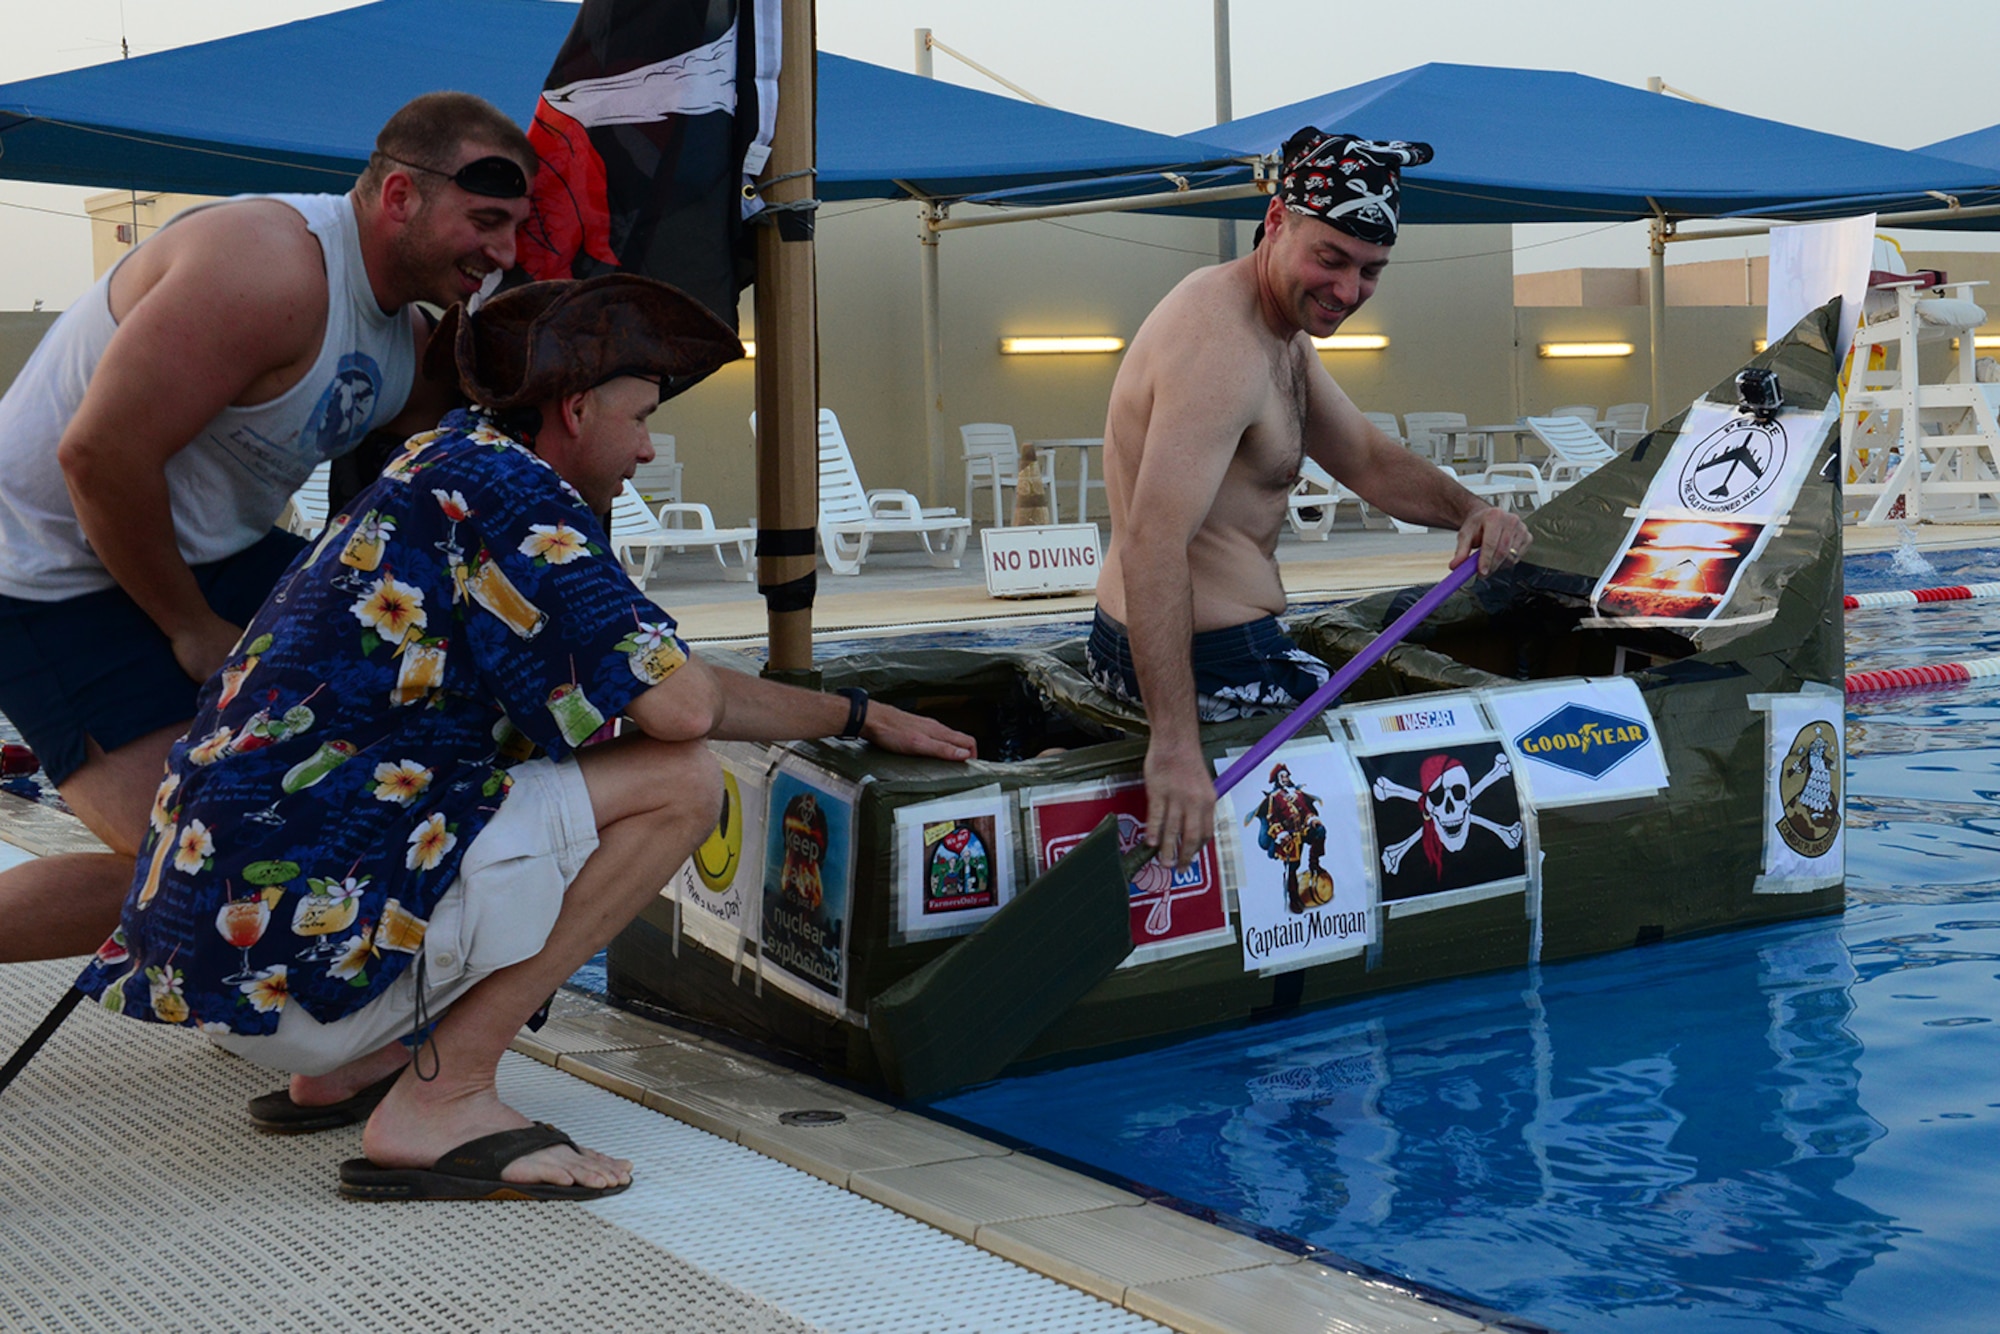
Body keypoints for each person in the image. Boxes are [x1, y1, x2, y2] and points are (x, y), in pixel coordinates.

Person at [76, 274, 978, 1201]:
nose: (649, 447)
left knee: (533, 768)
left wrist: (852, 711)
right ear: (577, 409)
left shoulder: (440, 461)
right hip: (303, 953)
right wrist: (854, 716)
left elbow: (639, 683)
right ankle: (446, 1092)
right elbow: (682, 711)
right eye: (641, 416)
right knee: (681, 782)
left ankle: (349, 1069)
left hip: (235, 959)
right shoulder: (516, 494)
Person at [0, 92, 540, 965]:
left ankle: (326, 1009)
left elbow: (468, 469)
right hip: (45, 571)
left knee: (448, 691)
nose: (503, 251)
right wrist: (192, 632)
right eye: (484, 220)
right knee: (195, 869)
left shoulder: (406, 336)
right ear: (399, 195)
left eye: (515, 228)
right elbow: (96, 457)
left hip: (215, 553)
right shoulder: (266, 266)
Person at [1089, 128, 1534, 871]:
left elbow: (1363, 458)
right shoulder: (1221, 345)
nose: (1347, 290)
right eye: (1330, 259)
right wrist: (1174, 747)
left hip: (1192, 650)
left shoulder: (1279, 331)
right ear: (1275, 223)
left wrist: (1470, 511)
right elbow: (1152, 543)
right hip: (1201, 668)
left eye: (1370, 272)